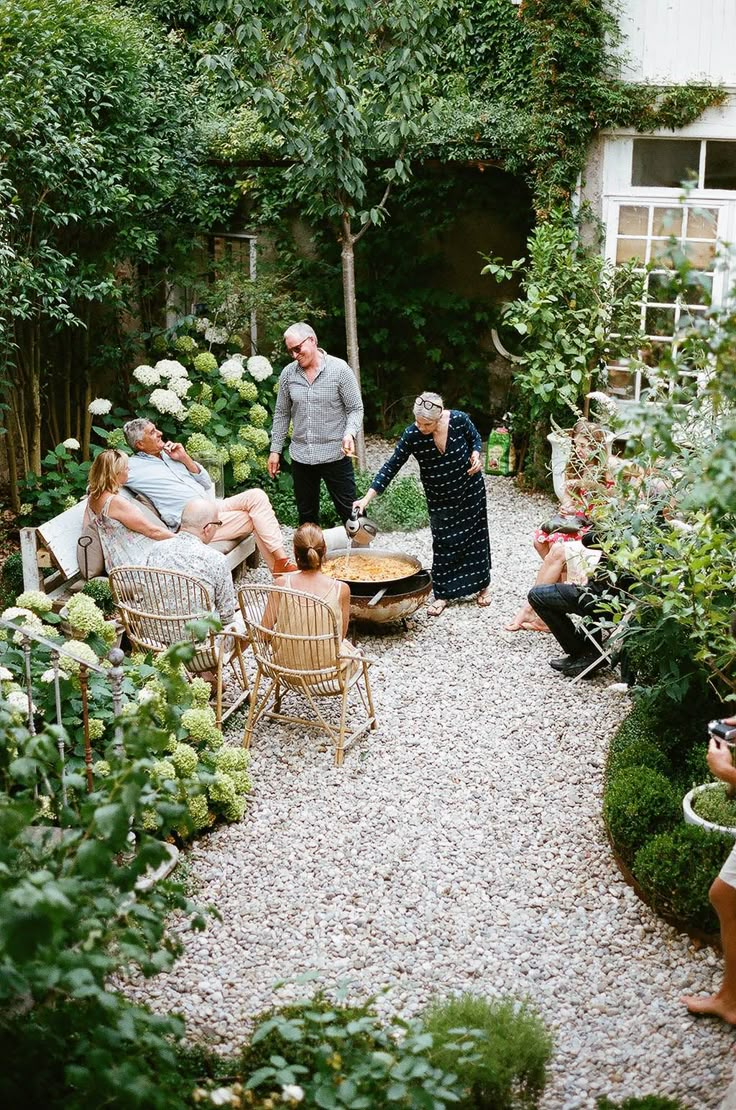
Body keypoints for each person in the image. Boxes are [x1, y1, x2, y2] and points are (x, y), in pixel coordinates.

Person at [353, 392, 492, 617]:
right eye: (417, 421)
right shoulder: (412, 435)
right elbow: (391, 466)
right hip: (439, 497)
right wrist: (366, 498)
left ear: (439, 417)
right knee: (443, 541)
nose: (421, 426)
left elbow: (475, 438)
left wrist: (476, 455)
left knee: (476, 537)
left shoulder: (458, 420)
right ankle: (444, 594)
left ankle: (482, 586)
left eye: (426, 423)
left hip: (470, 490)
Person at [122, 418, 296, 574]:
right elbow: (103, 477)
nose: (160, 433)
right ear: (140, 445)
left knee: (256, 496)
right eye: (152, 432)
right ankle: (281, 571)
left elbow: (206, 482)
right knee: (252, 519)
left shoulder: (170, 456)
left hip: (211, 505)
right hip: (194, 523)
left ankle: (281, 561)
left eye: (156, 429)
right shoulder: (132, 467)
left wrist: (184, 458)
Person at [505, 419, 611, 633]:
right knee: (539, 540)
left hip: (594, 528)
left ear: (596, 446)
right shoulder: (577, 465)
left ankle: (536, 608)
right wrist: (567, 507)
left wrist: (585, 499)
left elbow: (606, 509)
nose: (579, 450)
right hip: (578, 520)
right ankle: (555, 600)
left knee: (556, 548)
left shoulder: (605, 471)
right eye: (577, 445)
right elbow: (572, 500)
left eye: (584, 446)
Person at [268, 322, 364, 526]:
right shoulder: (288, 374)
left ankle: (364, 555)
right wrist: (275, 450)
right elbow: (282, 413)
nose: (294, 355)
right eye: (290, 351)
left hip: (335, 455)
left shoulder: (340, 370)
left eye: (297, 348)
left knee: (352, 515)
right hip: (301, 457)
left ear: (311, 340)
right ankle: (311, 558)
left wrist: (350, 433)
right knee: (307, 518)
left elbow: (355, 408)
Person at [265, 523, 359, 672]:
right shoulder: (341, 589)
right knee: (352, 652)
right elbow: (339, 636)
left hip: (284, 670)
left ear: (295, 551)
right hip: (327, 673)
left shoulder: (281, 584)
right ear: (325, 550)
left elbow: (264, 633)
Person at [145, 498, 239, 628]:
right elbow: (226, 616)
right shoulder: (216, 559)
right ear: (208, 528)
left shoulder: (155, 549)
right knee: (245, 618)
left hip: (152, 637)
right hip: (197, 643)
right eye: (218, 524)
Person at [85, 449, 172, 571]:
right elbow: (152, 531)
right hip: (135, 562)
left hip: (116, 561)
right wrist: (181, 539)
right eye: (126, 468)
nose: (129, 470)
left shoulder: (93, 497)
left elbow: (86, 526)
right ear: (115, 474)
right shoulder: (115, 502)